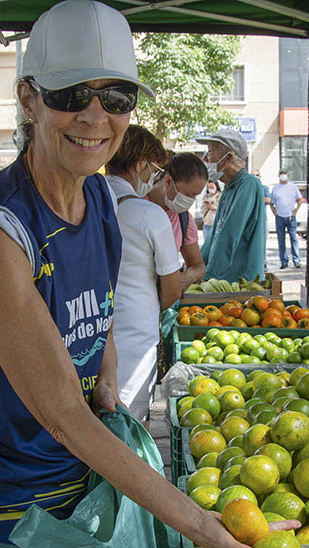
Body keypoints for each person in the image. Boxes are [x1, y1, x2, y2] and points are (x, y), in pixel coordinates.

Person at [0, 2, 309, 548]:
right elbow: (64, 418)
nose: (95, 115)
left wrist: (105, 364)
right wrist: (204, 528)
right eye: (71, 94)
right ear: (29, 100)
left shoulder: (103, 203)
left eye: (117, 95)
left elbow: (96, 313)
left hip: (75, 501)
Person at [105, 125, 181, 422]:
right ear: (140, 164)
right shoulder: (149, 214)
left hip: (88, 325)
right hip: (135, 334)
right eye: (155, 169)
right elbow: (173, 288)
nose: (155, 177)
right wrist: (150, 306)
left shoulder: (84, 200)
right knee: (130, 423)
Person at [198, 129, 267, 281]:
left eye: (210, 152)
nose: (205, 158)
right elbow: (214, 237)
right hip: (224, 280)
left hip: (240, 283)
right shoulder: (229, 189)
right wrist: (197, 266)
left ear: (228, 157)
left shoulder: (248, 185)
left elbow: (229, 235)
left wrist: (209, 276)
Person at [147, 151, 207, 289]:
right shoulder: (133, 205)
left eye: (195, 196)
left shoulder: (183, 218)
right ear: (168, 181)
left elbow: (198, 265)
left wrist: (186, 277)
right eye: (188, 194)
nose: (190, 201)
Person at [270, 169, 304, 269]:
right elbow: (272, 203)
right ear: (278, 175)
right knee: (281, 240)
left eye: (285, 173)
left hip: (290, 217)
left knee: (294, 238)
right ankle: (283, 261)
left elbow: (299, 200)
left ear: (288, 175)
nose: (283, 175)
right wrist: (275, 214)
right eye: (281, 173)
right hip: (280, 217)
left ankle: (296, 260)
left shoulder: (293, 187)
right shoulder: (276, 188)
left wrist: (295, 211)